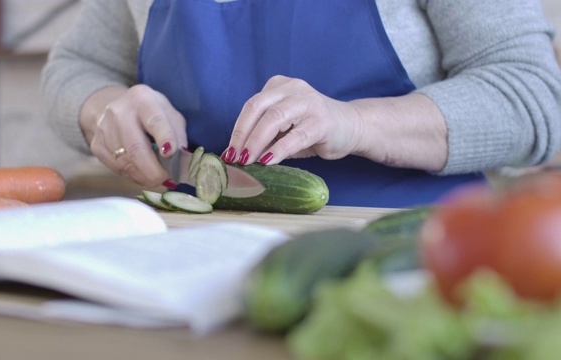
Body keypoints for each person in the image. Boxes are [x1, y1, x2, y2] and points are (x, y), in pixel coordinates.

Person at [41, 0, 561, 208]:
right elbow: (75, 68)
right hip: (193, 258)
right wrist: (103, 109)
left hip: (414, 260)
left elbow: (534, 94)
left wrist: (356, 123)